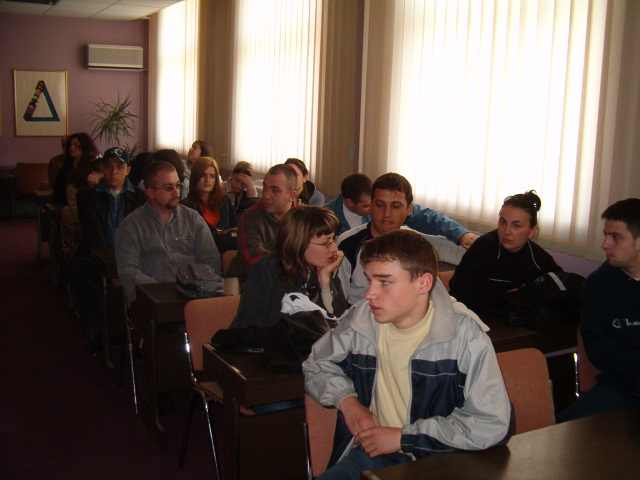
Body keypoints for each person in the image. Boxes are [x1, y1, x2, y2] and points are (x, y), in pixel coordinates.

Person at [303, 230, 513, 479]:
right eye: (369, 280)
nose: (369, 294)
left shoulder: (465, 336)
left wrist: (404, 438)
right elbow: (316, 365)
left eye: (384, 282)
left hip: (444, 457)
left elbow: (491, 422)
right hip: (375, 455)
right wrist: (348, 403)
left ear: (423, 283)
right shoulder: (362, 321)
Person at [558, 198, 640, 422]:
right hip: (622, 385)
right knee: (566, 427)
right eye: (605, 235)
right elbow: (600, 352)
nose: (605, 244)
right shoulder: (598, 285)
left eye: (615, 237)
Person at [337, 173, 476, 305]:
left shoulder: (415, 246)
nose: (387, 213)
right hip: (361, 315)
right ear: (371, 205)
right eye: (380, 205)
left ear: (409, 209)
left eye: (395, 206)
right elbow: (337, 301)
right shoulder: (348, 244)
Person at [66, 148, 147, 347]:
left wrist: (123, 269)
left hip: (131, 259)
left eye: (119, 167)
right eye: (109, 167)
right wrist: (113, 271)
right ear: (102, 168)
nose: (114, 172)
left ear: (128, 170)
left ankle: (126, 329)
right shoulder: (87, 195)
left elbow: (139, 238)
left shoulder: (140, 197)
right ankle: (102, 324)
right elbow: (95, 236)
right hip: (98, 256)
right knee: (74, 266)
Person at [448, 190, 565, 322]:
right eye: (503, 222)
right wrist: (512, 298)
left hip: (517, 325)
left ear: (532, 231)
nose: (506, 231)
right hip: (474, 320)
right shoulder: (482, 249)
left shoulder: (539, 259)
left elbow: (559, 291)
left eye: (516, 226)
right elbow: (459, 294)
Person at [115, 161, 221, 301]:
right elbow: (129, 273)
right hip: (154, 299)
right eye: (168, 187)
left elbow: (211, 260)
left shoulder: (193, 219)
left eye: (178, 185)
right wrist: (163, 291)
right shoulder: (131, 226)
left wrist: (198, 286)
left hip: (194, 295)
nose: (176, 192)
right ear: (150, 192)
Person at [233, 206, 348, 329]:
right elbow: (248, 324)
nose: (334, 248)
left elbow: (339, 321)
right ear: (299, 243)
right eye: (325, 243)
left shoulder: (323, 268)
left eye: (333, 239)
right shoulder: (265, 270)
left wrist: (325, 282)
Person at [226, 163, 297, 280]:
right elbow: (254, 262)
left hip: (288, 281)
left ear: (291, 196)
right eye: (265, 188)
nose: (266, 195)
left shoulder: (303, 219)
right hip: (247, 282)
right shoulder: (250, 217)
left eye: (275, 191)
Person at [180, 156, 238, 253]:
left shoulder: (224, 201)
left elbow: (235, 229)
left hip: (226, 253)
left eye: (212, 176)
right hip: (199, 254)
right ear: (195, 177)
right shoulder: (184, 206)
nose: (207, 180)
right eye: (203, 175)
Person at [52, 132, 100, 206]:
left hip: (87, 203)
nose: (72, 148)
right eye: (70, 145)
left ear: (84, 146)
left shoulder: (93, 164)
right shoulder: (66, 167)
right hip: (66, 203)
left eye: (76, 145)